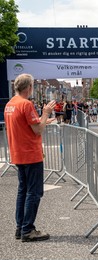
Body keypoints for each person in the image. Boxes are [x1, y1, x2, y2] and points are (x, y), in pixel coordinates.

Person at [4, 73, 56, 242]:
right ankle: (28, 230)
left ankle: (20, 227)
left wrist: (42, 120)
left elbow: (26, 125)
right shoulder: (26, 104)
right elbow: (37, 130)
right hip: (31, 153)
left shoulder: (10, 104)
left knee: (23, 191)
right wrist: (46, 113)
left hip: (18, 153)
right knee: (34, 192)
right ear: (29, 87)